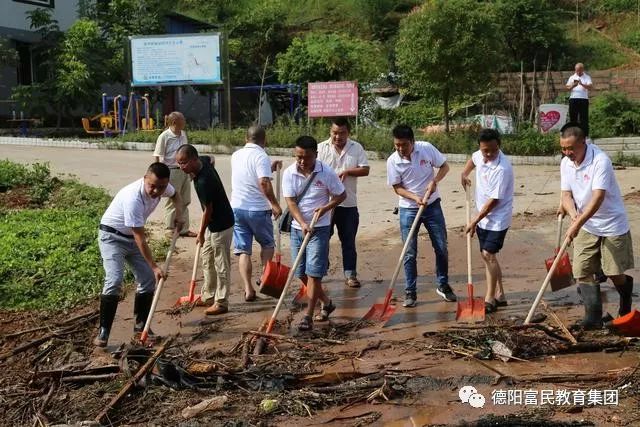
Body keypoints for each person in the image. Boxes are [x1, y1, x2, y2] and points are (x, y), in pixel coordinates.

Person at [94, 162, 184, 347]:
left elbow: (176, 195)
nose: (155, 191)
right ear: (145, 179)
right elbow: (140, 238)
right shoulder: (132, 197)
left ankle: (140, 327)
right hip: (112, 237)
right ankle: (104, 332)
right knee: (114, 280)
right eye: (152, 186)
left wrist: (180, 214)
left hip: (131, 238)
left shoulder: (164, 188)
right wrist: (155, 266)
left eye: (160, 187)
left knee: (148, 280)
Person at [559, 125, 634, 329]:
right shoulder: (566, 163)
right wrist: (574, 216)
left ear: (584, 142)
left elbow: (598, 197)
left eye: (571, 148)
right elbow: (566, 195)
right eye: (563, 149)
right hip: (587, 223)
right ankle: (592, 317)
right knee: (582, 269)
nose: (567, 153)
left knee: (613, 271)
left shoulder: (601, 161)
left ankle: (626, 296)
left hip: (611, 223)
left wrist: (577, 222)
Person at [386, 124, 456, 308]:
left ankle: (442, 284)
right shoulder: (393, 161)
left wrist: (435, 181)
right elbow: (397, 188)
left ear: (413, 142)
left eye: (404, 145)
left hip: (432, 206)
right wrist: (414, 197)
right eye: (397, 145)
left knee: (441, 247)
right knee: (409, 252)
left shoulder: (426, 149)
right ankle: (410, 291)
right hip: (408, 209)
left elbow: (444, 166)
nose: (401, 149)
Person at [282, 136, 346, 331]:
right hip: (297, 229)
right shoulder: (289, 173)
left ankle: (308, 316)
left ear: (315, 155)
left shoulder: (326, 172)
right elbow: (291, 201)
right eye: (298, 157)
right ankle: (326, 301)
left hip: (320, 229)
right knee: (300, 272)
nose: (302, 161)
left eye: (307, 157)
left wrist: (326, 208)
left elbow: (341, 195)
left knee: (314, 274)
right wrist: (302, 223)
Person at [175, 144, 235, 315]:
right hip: (211, 224)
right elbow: (211, 158)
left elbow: (209, 211)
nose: (181, 167)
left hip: (221, 224)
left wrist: (200, 234)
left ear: (194, 159)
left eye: (184, 163)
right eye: (179, 163)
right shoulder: (203, 161)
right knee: (206, 257)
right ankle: (208, 295)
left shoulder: (203, 181)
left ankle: (221, 302)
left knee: (221, 263)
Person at [460, 129, 514, 313]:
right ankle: (501, 294)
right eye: (485, 150)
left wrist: (474, 220)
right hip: (482, 217)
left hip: (498, 217)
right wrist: (464, 174)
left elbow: (494, 201)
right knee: (488, 256)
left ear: (498, 145)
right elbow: (472, 160)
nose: (489, 154)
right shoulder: (479, 155)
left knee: (488, 254)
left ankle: (489, 298)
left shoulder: (502, 168)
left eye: (492, 150)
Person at [231, 125, 283, 301]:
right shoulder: (261, 155)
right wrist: (275, 204)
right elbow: (263, 182)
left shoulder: (236, 155)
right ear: (264, 140)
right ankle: (265, 279)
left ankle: (248, 289)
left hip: (237, 208)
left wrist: (270, 168)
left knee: (243, 250)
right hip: (258, 209)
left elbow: (250, 173)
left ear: (246, 138)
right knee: (267, 244)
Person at [318, 117, 370, 288]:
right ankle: (320, 271)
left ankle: (350, 274)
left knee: (348, 241)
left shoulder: (356, 148)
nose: (338, 136)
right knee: (322, 239)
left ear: (348, 133)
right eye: (335, 133)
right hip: (325, 204)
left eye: (342, 133)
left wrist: (348, 171)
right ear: (330, 132)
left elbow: (365, 169)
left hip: (348, 203)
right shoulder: (321, 148)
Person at [153, 111, 195, 237]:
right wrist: (159, 174)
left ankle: (184, 229)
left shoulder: (183, 134)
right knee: (173, 200)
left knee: (185, 200)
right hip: (171, 171)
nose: (185, 122)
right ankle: (170, 228)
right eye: (183, 119)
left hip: (184, 171)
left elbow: (187, 152)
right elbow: (157, 155)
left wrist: (191, 172)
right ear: (175, 122)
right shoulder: (164, 136)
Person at [566, 63, 593, 136]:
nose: (577, 72)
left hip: (583, 99)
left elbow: (590, 87)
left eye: (579, 71)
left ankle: (585, 135)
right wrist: (573, 85)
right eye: (576, 70)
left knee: (584, 118)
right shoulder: (572, 77)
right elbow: (567, 88)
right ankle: (573, 134)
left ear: (582, 70)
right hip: (573, 99)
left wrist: (581, 84)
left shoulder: (587, 77)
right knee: (573, 117)